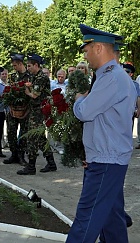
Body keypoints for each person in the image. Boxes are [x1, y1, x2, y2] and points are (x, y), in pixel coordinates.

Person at [66, 24, 136, 243]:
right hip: (107, 157)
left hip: (106, 161)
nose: (85, 56)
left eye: (86, 50)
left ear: (98, 48)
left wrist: (78, 99)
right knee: (112, 219)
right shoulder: (111, 76)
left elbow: (85, 112)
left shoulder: (111, 77)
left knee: (86, 220)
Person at [17, 54, 57, 175]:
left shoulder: (41, 78)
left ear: (36, 65)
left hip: (38, 111)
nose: (28, 68)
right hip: (35, 110)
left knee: (32, 137)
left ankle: (31, 166)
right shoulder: (35, 77)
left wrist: (27, 91)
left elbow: (34, 95)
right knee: (40, 138)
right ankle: (51, 163)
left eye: (29, 66)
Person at [3, 54, 30, 166]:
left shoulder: (29, 76)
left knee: (23, 134)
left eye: (15, 65)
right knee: (11, 133)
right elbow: (9, 90)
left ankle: (21, 156)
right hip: (13, 110)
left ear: (20, 64)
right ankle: (14, 154)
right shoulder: (13, 76)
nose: (13, 68)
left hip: (25, 110)